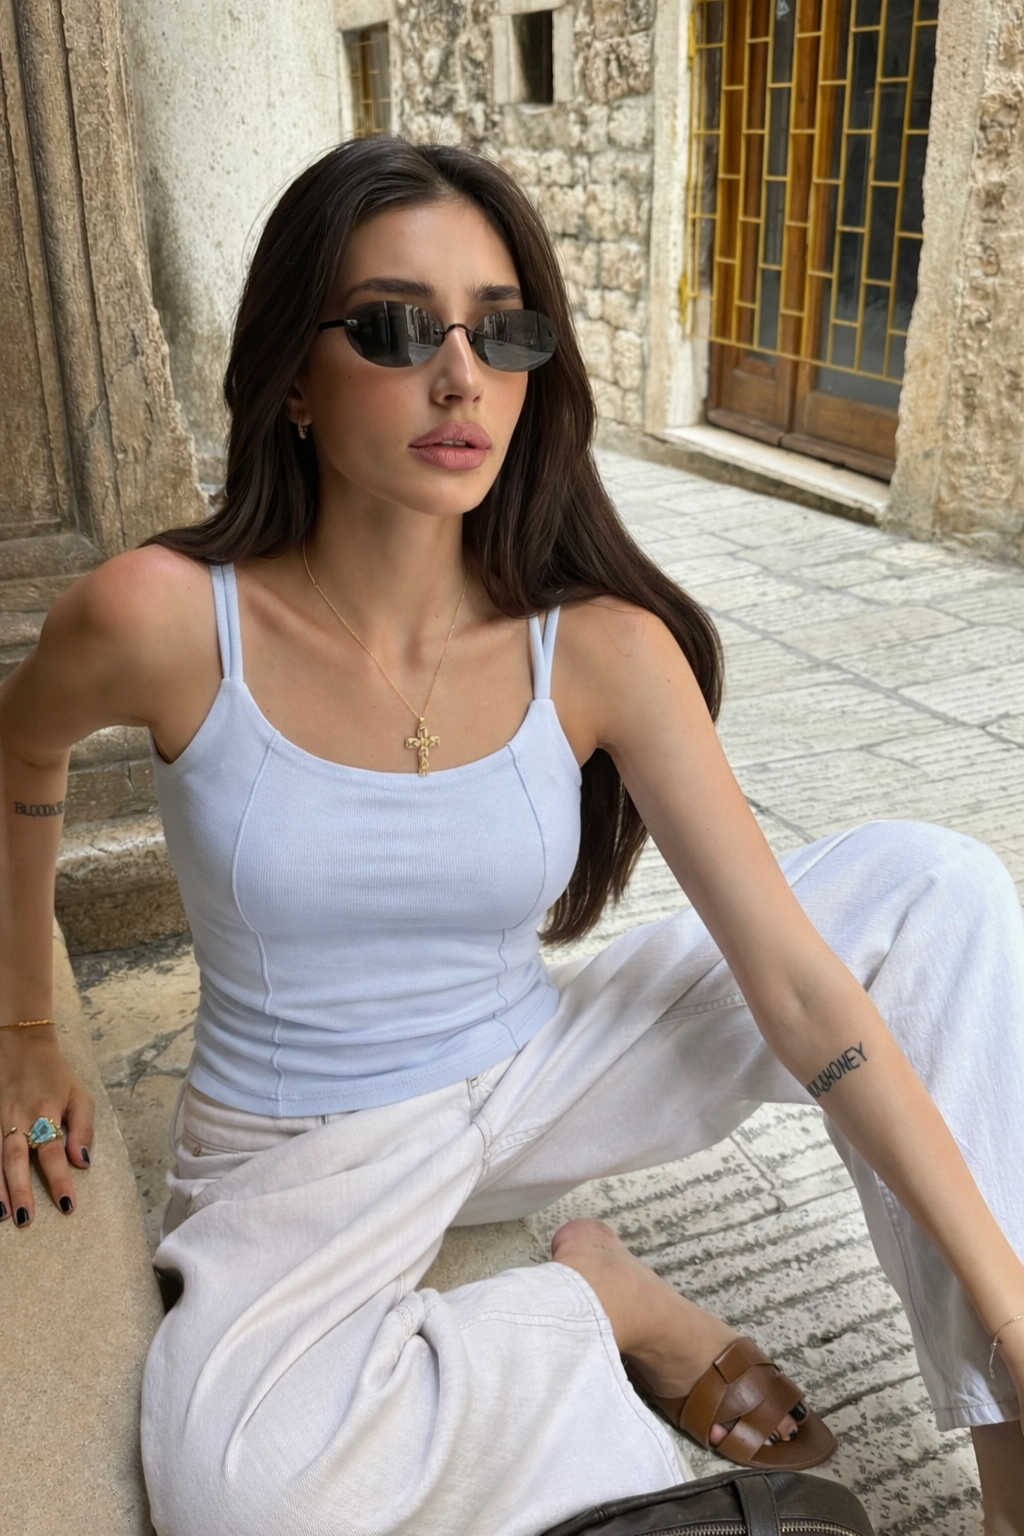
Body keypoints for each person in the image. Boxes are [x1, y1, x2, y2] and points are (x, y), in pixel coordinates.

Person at [0, 137, 1022, 1536]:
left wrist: (1010, 1319)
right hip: (305, 1149)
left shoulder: (597, 646)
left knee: (939, 892)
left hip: (538, 1071)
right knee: (242, 1488)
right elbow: (21, 750)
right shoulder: (165, 619)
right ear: (291, 375)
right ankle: (596, 1304)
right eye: (394, 328)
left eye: (500, 331)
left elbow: (794, 983)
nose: (459, 376)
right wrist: (24, 1025)